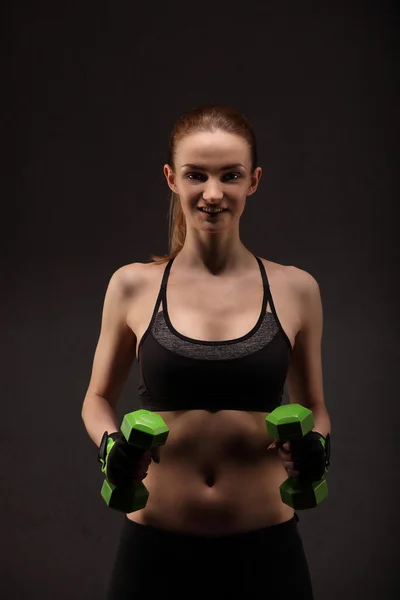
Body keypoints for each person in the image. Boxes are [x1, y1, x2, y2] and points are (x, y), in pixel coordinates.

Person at [81, 104, 331, 599]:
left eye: (230, 176)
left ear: (253, 181)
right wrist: (111, 448)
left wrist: (315, 449)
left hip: (267, 549)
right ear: (172, 178)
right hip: (155, 550)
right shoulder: (132, 285)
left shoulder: (297, 289)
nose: (213, 193)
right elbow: (95, 400)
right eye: (197, 175)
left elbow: (314, 408)